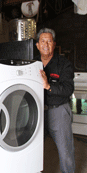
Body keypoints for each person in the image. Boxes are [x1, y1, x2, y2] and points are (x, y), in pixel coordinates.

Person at [35, 28, 75, 173]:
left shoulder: (64, 63)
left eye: (49, 41)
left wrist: (48, 86)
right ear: (37, 45)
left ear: (54, 44)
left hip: (58, 110)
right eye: (42, 41)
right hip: (37, 111)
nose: (46, 44)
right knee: (33, 148)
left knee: (65, 151)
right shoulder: (32, 63)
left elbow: (68, 89)